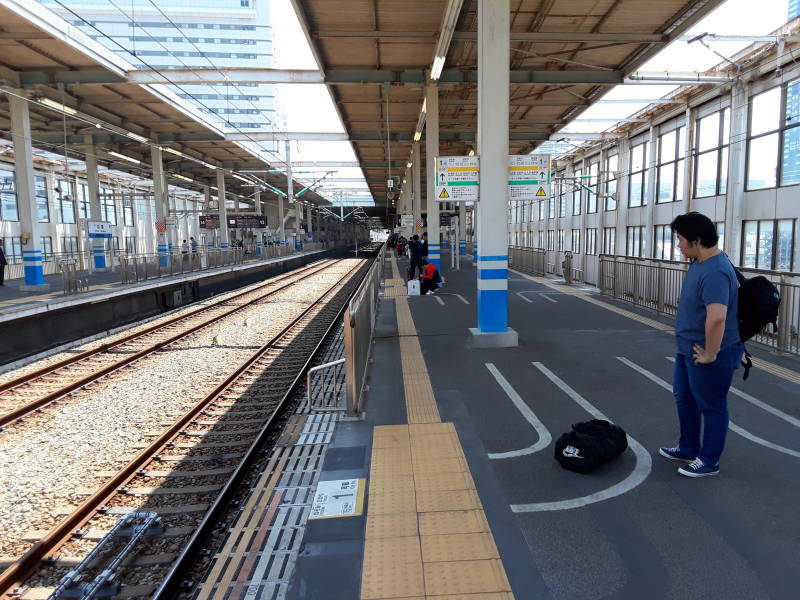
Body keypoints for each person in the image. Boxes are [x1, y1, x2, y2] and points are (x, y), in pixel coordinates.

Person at [660, 211, 743, 478]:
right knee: (684, 397)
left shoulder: (717, 271)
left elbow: (717, 317)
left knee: (712, 405)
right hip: (688, 348)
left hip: (709, 352)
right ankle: (688, 447)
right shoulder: (699, 262)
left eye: (681, 240)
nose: (679, 245)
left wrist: (711, 352)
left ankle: (709, 461)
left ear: (696, 240)